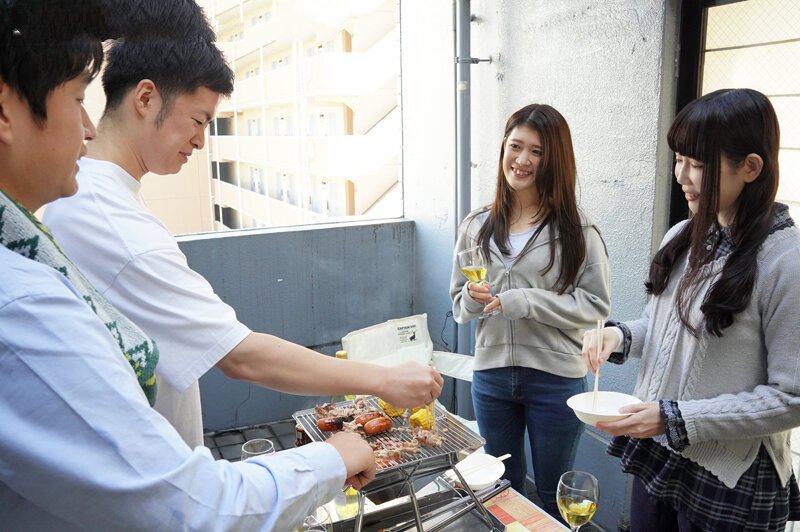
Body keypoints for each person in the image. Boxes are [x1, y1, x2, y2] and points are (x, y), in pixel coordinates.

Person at [0, 1, 375, 529]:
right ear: (146, 97)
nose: (85, 127)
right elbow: (192, 497)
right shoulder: (84, 240)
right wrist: (352, 427)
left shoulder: (70, 216)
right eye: (77, 98)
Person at [43, 3, 443, 448]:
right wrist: (383, 380)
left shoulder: (94, 198)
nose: (200, 139)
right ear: (145, 98)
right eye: (198, 120)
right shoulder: (107, 218)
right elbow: (242, 357)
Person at [582, 88, 800, 531]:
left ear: (751, 167)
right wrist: (619, 336)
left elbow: (792, 396)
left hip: (732, 477)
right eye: (679, 158)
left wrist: (678, 416)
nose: (681, 174)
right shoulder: (682, 236)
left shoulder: (786, 261)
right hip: (662, 451)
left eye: (698, 164)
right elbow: (664, 329)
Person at [450, 103, 611, 516]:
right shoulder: (475, 225)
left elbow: (595, 306)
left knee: (553, 497)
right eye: (515, 146)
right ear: (503, 147)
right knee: (500, 491)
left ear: (553, 160)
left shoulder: (578, 229)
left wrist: (523, 301)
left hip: (556, 381)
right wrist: (473, 296)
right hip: (491, 377)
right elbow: (458, 307)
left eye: (536, 152)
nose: (522, 160)